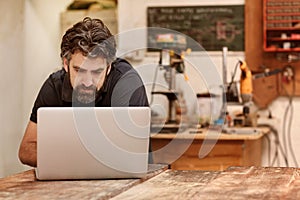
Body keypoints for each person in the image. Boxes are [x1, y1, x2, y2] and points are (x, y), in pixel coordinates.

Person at [18, 17, 149, 167]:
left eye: (97, 72)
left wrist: (68, 159)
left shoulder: (127, 83)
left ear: (109, 68)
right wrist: (76, 162)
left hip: (129, 183)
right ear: (66, 64)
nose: (87, 82)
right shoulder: (55, 85)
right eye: (79, 70)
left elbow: (130, 152)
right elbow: (26, 150)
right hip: (68, 183)